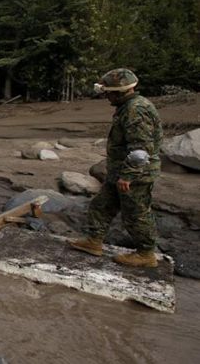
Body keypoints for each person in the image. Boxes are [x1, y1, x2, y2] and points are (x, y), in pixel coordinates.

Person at [69, 68, 163, 267]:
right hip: (120, 172)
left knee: (136, 213)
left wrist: (127, 176)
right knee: (101, 205)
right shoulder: (128, 107)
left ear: (118, 92)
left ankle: (146, 254)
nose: (106, 97)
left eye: (108, 93)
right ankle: (93, 241)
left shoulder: (136, 110)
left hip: (135, 175)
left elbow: (141, 151)